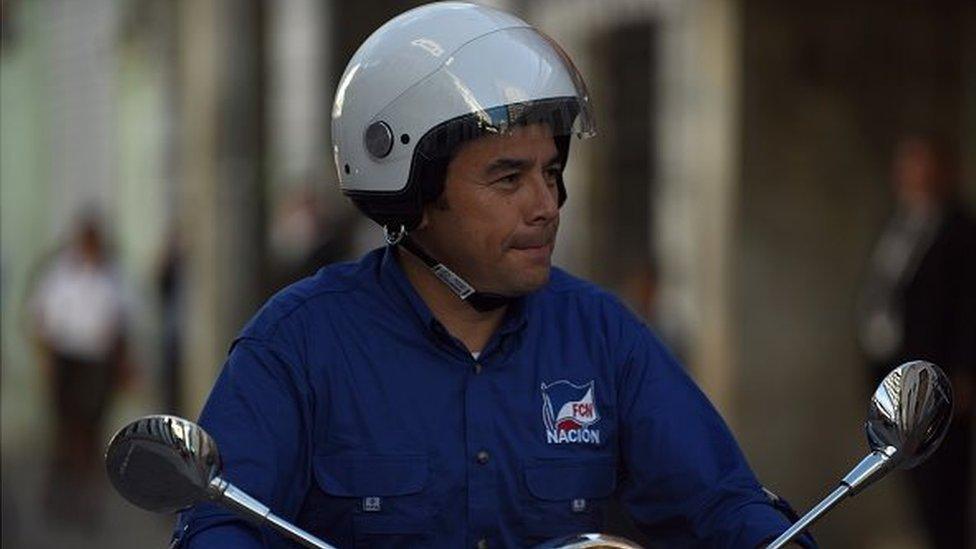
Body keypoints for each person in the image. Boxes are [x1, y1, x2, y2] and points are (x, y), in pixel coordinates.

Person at [173, 3, 813, 547]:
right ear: (415, 195)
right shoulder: (299, 344)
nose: (546, 205)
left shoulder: (603, 338)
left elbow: (721, 504)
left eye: (552, 174)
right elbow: (219, 525)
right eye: (509, 178)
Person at [857, 135, 975, 548]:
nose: (912, 175)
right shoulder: (898, 225)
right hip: (894, 374)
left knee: (942, 489)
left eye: (922, 165)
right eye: (907, 165)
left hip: (937, 383)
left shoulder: (960, 231)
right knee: (910, 483)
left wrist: (964, 372)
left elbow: (966, 306)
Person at [30, 212, 132, 528]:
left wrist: (124, 365)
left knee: (92, 429)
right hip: (68, 360)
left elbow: (121, 323)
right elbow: (41, 319)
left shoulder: (111, 276)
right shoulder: (60, 273)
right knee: (66, 429)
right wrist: (46, 361)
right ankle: (61, 494)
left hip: (97, 363)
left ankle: (88, 499)